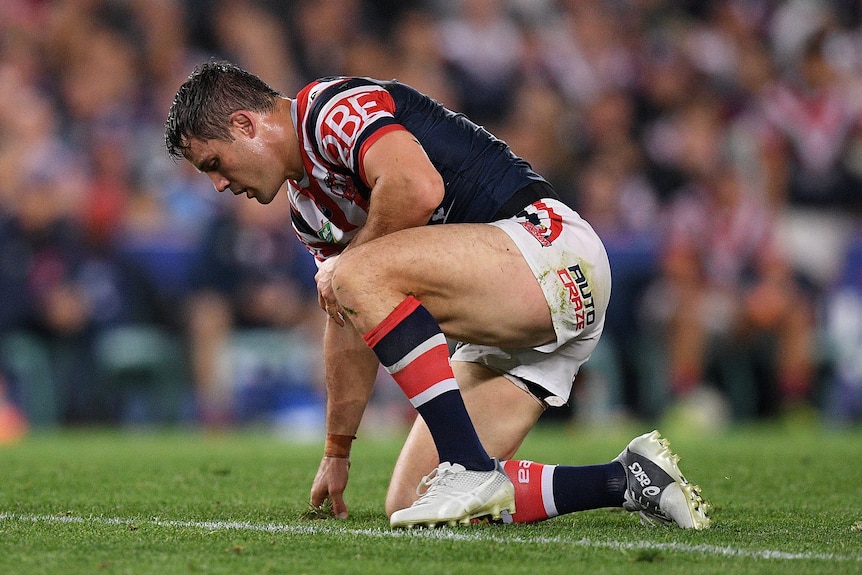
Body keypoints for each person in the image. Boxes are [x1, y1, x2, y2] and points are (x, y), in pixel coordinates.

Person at [164, 60, 710, 530]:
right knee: (415, 501)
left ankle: (468, 464)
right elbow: (348, 314)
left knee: (354, 274)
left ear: (246, 123)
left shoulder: (328, 108)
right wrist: (337, 450)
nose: (218, 184)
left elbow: (417, 187)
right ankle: (629, 480)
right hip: (505, 311)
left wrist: (351, 266)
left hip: (548, 250)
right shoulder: (307, 207)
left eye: (213, 163)